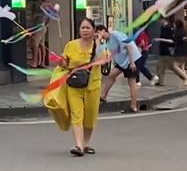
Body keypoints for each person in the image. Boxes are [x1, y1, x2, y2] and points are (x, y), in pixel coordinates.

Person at [46, 18, 105, 157]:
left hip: (92, 85)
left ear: (93, 30)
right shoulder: (71, 45)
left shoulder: (99, 46)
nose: (85, 30)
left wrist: (98, 44)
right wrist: (60, 61)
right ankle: (78, 145)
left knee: (90, 116)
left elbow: (102, 61)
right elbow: (64, 63)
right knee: (76, 115)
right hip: (73, 84)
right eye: (82, 28)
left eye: (88, 28)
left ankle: (85, 144)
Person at [98, 25, 142, 113]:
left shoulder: (115, 35)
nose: (98, 35)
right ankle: (103, 96)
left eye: (98, 33)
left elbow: (129, 46)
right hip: (122, 63)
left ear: (103, 30)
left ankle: (133, 106)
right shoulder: (107, 41)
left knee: (131, 82)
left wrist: (132, 62)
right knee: (111, 75)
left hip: (132, 60)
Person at [156, 17, 187, 87]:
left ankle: (186, 78)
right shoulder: (184, 31)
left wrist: (160, 39)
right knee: (181, 67)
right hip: (185, 51)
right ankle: (186, 80)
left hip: (180, 51)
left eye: (175, 24)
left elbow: (172, 41)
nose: (174, 26)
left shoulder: (177, 33)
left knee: (174, 66)